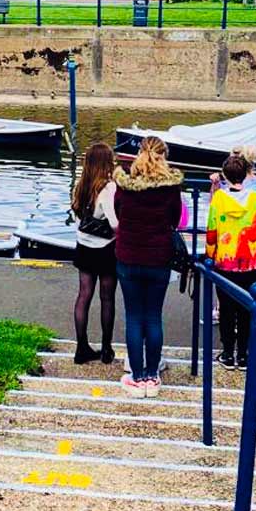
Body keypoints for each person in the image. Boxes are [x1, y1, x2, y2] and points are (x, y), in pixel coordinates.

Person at [114, 135, 183, 398]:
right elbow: (175, 219)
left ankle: (136, 377)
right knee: (153, 316)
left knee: (134, 316)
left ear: (140, 153)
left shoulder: (125, 185)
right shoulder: (170, 188)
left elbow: (118, 212)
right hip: (159, 258)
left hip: (129, 256)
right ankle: (152, 377)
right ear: (163, 155)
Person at [206, 154, 256, 369]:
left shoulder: (219, 199)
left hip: (225, 262)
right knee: (246, 309)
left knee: (226, 309)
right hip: (250, 261)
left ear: (224, 175)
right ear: (245, 174)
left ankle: (227, 352)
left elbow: (212, 231)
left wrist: (210, 254)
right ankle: (243, 354)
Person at [70, 142, 119, 365]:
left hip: (83, 246)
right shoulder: (108, 188)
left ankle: (81, 347)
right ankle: (107, 348)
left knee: (84, 295)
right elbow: (115, 223)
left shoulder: (80, 185)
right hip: (106, 248)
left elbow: (77, 217)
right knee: (107, 298)